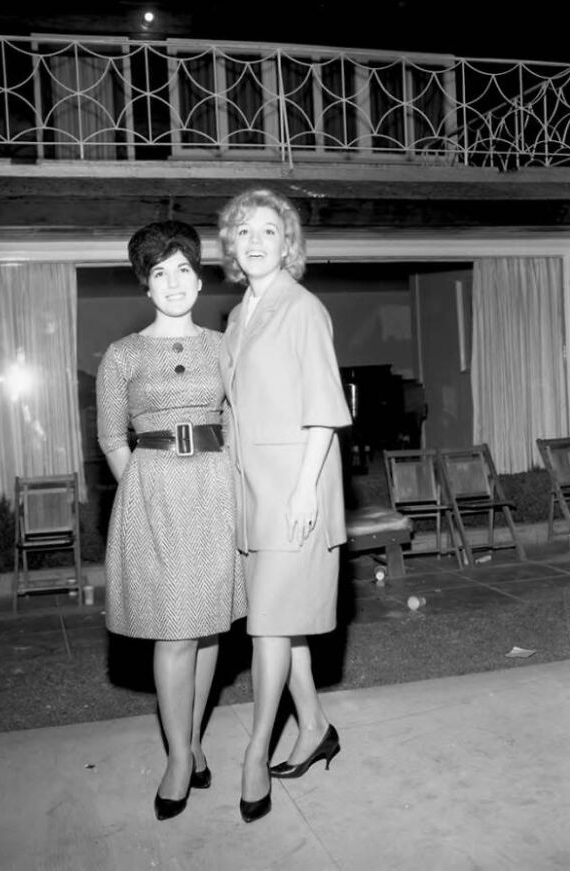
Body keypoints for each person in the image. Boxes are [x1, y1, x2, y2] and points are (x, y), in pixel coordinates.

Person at [96, 220, 246, 821]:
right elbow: (111, 438)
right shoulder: (123, 354)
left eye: (183, 267)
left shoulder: (221, 346)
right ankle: (178, 757)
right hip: (154, 492)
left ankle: (194, 741)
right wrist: (144, 487)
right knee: (173, 631)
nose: (174, 281)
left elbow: (237, 424)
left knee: (208, 627)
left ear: (200, 276)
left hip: (215, 487)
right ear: (146, 285)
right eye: (160, 271)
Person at [218, 188, 352, 823]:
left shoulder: (302, 308)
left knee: (267, 624)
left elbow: (324, 406)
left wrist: (304, 490)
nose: (254, 240)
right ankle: (315, 726)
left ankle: (254, 752)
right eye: (244, 231)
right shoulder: (240, 315)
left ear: (287, 244)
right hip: (252, 491)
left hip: (295, 486)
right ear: (232, 246)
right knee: (283, 618)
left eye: (268, 231)